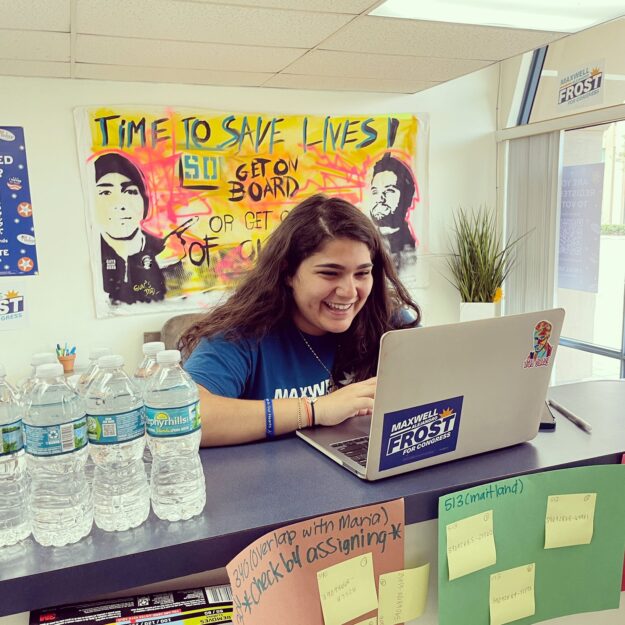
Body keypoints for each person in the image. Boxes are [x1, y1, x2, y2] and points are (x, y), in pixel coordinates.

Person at [180, 193, 421, 447]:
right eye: (330, 273)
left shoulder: (390, 322)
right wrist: (314, 410)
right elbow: (186, 416)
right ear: (287, 273)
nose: (350, 292)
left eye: (362, 273)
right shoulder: (241, 334)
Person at [94, 152, 166, 304]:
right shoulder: (92, 254)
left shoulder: (165, 252)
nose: (119, 204)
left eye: (130, 191)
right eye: (105, 192)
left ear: (144, 200)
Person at [369, 153, 417, 260]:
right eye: (375, 191)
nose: (380, 198)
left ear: (407, 197)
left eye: (389, 191)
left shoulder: (411, 247)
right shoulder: (365, 243)